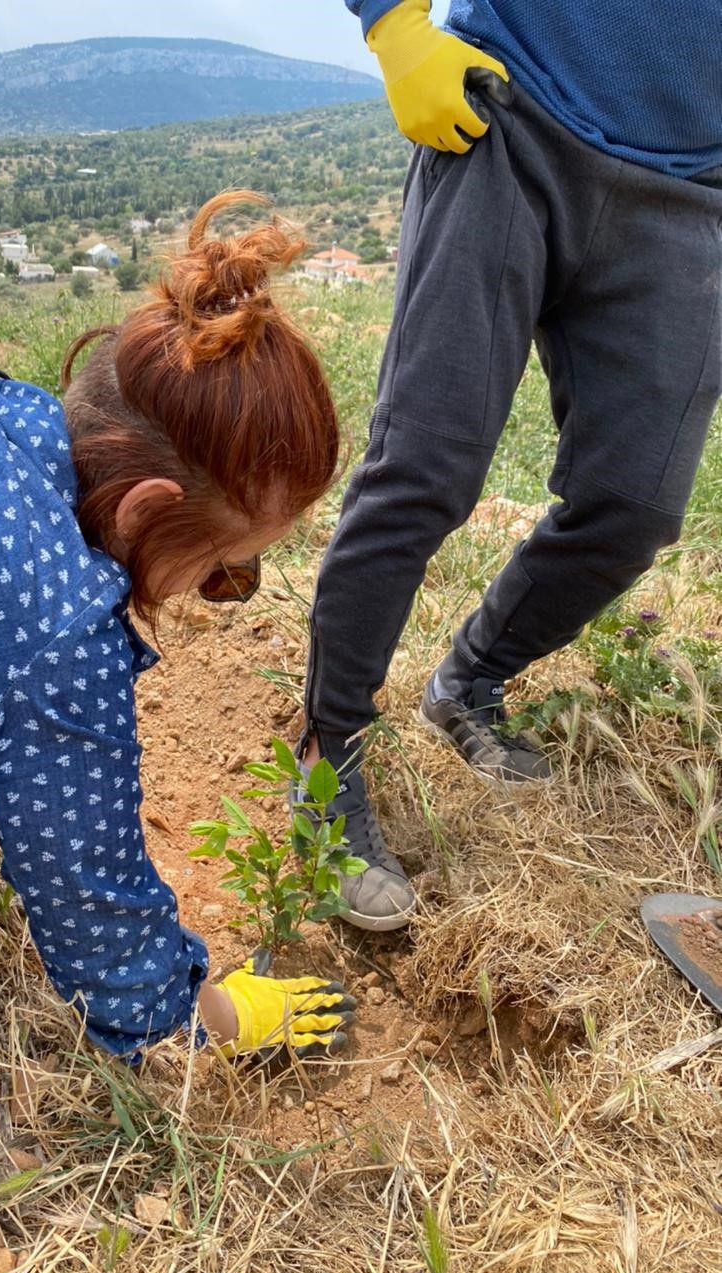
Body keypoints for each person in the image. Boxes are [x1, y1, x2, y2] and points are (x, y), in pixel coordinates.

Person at [0, 191, 356, 1273]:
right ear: (141, 513)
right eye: (217, 570)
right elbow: (86, 889)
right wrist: (201, 1009)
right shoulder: (56, 634)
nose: (224, 589)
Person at [299, 0, 722, 930]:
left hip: (690, 191)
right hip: (507, 120)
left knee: (636, 505)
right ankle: (325, 764)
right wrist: (392, 24)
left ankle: (468, 680)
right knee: (424, 469)